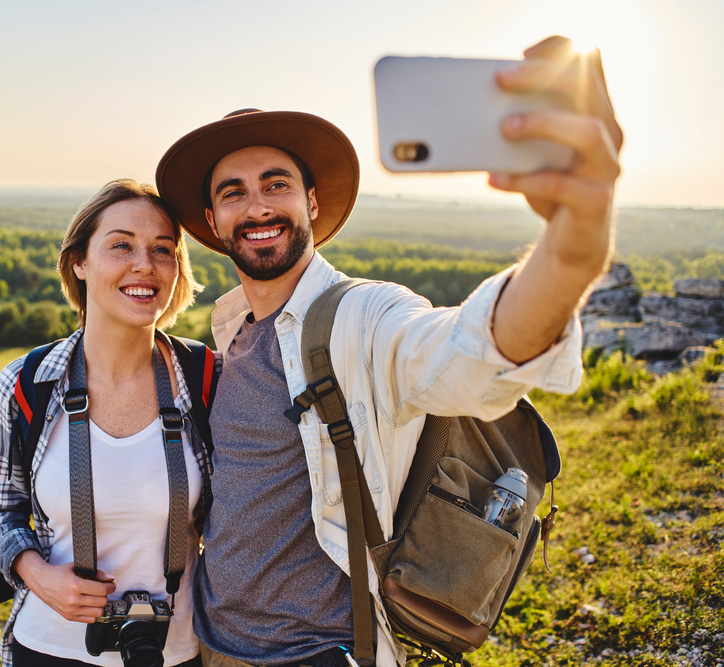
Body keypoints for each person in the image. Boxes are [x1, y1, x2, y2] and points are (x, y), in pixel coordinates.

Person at [153, 37, 622, 667]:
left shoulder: (360, 317)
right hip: (211, 646)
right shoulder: (232, 327)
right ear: (212, 220)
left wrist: (572, 248)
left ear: (311, 203)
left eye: (276, 184)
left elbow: (465, 356)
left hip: (322, 652)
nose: (257, 205)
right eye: (233, 193)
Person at [0, 179, 211, 667]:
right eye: (121, 244)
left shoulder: (206, 378)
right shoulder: (26, 383)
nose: (144, 263)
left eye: (163, 250)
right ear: (79, 261)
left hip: (177, 650)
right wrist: (35, 573)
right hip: (48, 647)